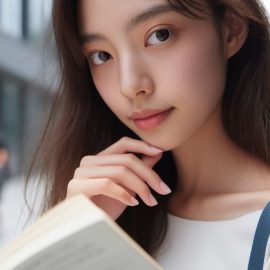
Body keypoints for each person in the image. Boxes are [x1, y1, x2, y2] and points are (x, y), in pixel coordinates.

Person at [26, 0, 270, 269]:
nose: (129, 85)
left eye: (159, 35)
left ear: (230, 30)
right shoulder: (116, 214)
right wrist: (71, 245)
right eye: (101, 56)